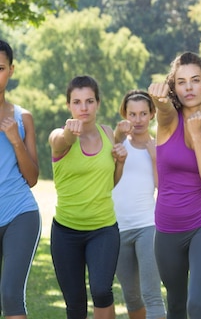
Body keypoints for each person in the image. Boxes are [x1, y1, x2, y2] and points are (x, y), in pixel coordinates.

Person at [148, 51, 201, 319]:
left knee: (196, 303)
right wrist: (159, 100)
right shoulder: (169, 120)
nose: (189, 87)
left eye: (195, 80)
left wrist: (197, 138)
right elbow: (164, 110)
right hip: (168, 228)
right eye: (181, 82)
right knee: (176, 305)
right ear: (174, 88)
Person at [49, 75, 127, 319]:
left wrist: (121, 163)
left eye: (89, 101)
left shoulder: (107, 133)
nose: (83, 108)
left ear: (98, 104)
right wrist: (71, 133)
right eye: (77, 102)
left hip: (103, 228)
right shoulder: (57, 137)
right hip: (65, 232)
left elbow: (110, 182)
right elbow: (65, 140)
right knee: (75, 304)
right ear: (69, 106)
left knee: (102, 291)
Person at [112, 90, 166, 319]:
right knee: (131, 297)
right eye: (132, 114)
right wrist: (116, 138)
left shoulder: (159, 146)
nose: (138, 119)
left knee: (151, 294)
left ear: (152, 114)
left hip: (147, 226)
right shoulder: (117, 144)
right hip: (117, 228)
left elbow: (161, 187)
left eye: (143, 113)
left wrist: (154, 156)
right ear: (124, 115)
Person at [0, 39, 41, 319]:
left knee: (11, 295)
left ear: (11, 70)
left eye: (0, 68)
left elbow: (33, 177)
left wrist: (16, 140)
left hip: (19, 213)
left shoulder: (22, 117)